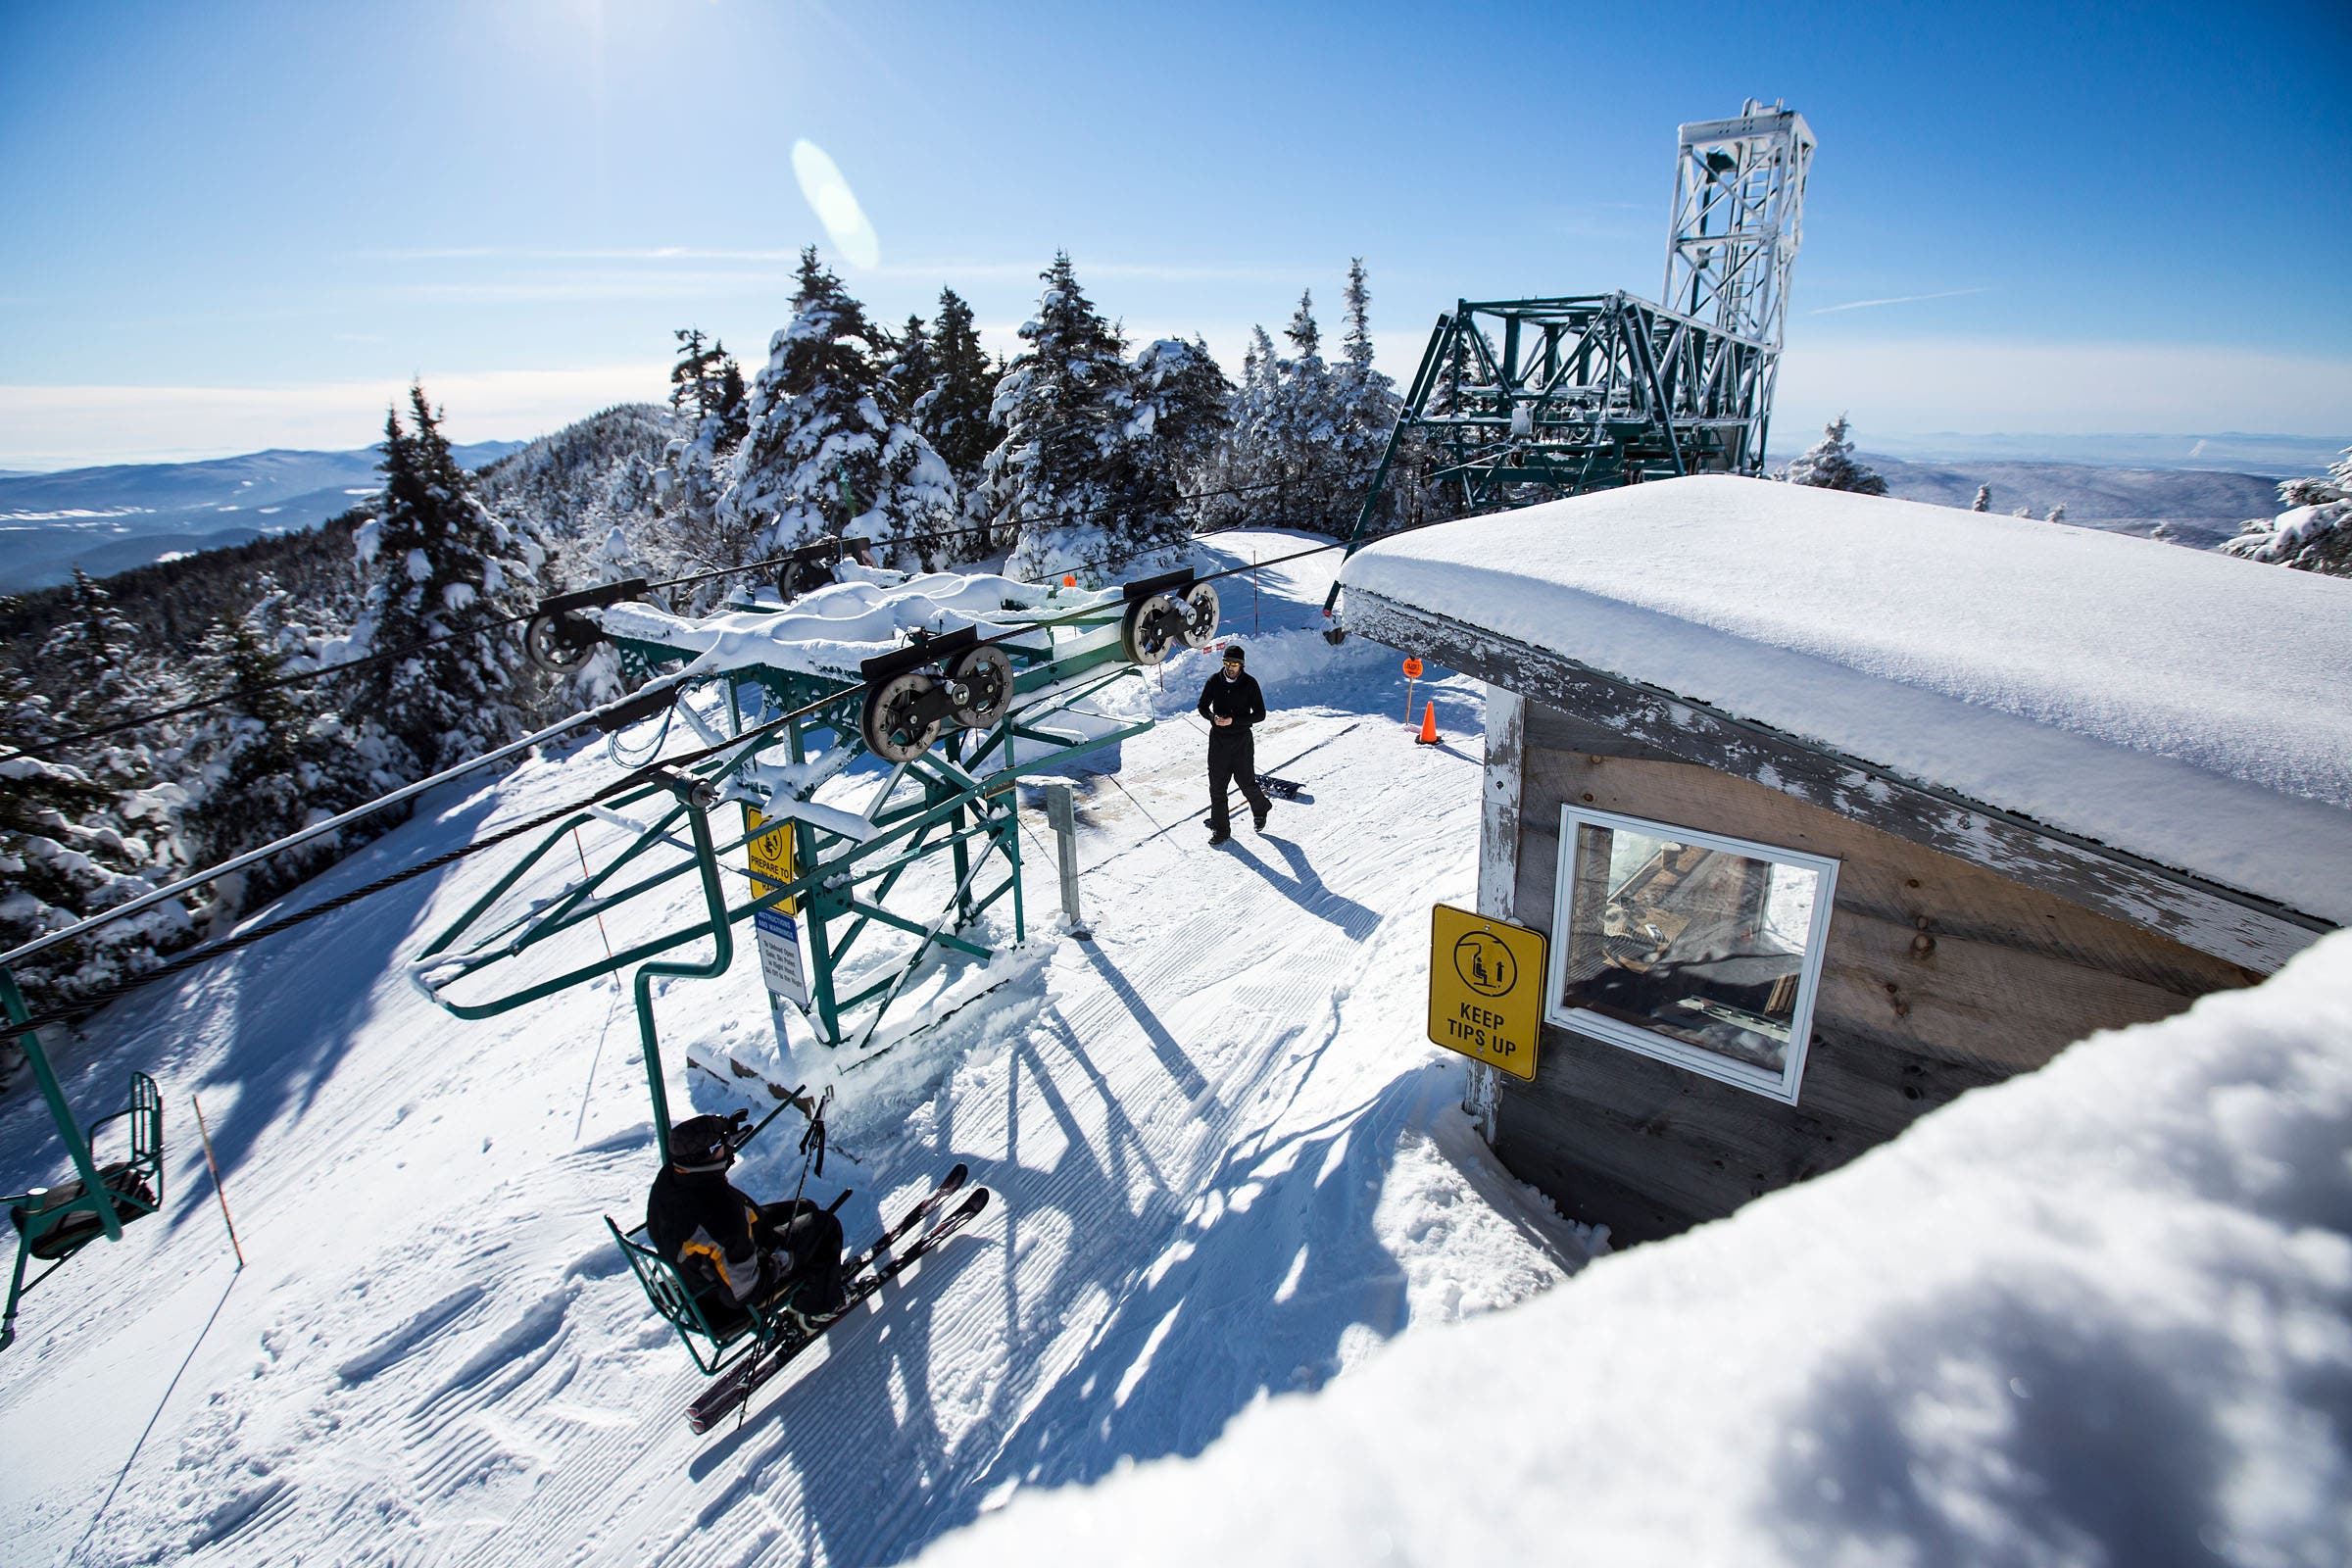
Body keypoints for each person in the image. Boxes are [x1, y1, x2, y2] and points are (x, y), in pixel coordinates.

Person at [645, 1112, 846, 1328]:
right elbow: (745, 1292)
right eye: (722, 1144)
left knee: (805, 1208)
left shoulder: (672, 1176)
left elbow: (705, 1169)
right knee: (825, 1227)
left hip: (705, 1265)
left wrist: (725, 1135)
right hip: (727, 1300)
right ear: (710, 1153)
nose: (727, 1145)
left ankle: (814, 1289)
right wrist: (780, 1260)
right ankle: (816, 1310)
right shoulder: (723, 1217)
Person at [1197, 642, 1271, 846]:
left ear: (1242, 666)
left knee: (1245, 782)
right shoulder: (1214, 681)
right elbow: (1202, 706)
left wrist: (1234, 721)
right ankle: (1221, 829)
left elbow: (1260, 715)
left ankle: (1261, 807)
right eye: (1227, 662)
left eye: (1235, 664)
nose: (1230, 667)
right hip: (1218, 742)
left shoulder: (1250, 684)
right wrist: (1212, 717)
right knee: (1217, 786)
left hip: (1241, 741)